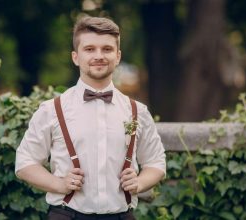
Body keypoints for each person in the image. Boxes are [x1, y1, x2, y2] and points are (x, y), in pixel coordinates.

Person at [15, 16, 166, 220]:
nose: (99, 55)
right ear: (76, 57)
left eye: (107, 49)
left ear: (118, 56)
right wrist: (59, 184)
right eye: (89, 49)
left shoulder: (137, 111)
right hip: (66, 215)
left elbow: (156, 161)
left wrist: (140, 182)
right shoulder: (51, 110)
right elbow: (25, 162)